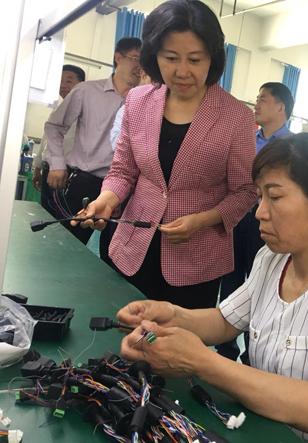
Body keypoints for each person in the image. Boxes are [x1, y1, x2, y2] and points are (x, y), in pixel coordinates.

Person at [117, 133, 308, 442]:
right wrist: (169, 315)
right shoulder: (272, 259)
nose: (260, 211)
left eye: (274, 197)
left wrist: (201, 361)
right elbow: (225, 321)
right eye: (260, 197)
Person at [75, 0, 256, 310]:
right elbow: (123, 171)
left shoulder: (236, 117)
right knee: (119, 329)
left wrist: (202, 220)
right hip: (132, 248)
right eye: (171, 58)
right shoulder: (138, 100)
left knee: (177, 339)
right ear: (154, 55)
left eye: (195, 59)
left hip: (196, 262)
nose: (182, 71)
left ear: (212, 58)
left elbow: (245, 191)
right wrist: (106, 200)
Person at [216, 81, 295, 362]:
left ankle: (254, 354)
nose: (256, 104)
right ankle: (225, 348)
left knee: (263, 283)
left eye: (263, 99)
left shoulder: (292, 148)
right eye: (257, 98)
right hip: (237, 216)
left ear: (281, 106)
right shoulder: (246, 138)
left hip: (267, 221)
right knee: (231, 278)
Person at [44, 38, 142, 244]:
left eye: (145, 61)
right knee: (66, 243)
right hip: (85, 183)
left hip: (124, 191)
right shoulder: (87, 91)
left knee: (113, 251)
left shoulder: (146, 101)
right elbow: (54, 126)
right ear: (118, 58)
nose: (140, 66)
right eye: (135, 58)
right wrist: (57, 164)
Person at [32, 65, 86, 210]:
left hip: (65, 172)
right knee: (45, 211)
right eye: (60, 81)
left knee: (60, 213)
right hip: (48, 169)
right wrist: (38, 168)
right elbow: (46, 140)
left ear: (82, 85)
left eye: (68, 81)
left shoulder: (84, 111)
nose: (63, 85)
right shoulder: (58, 108)